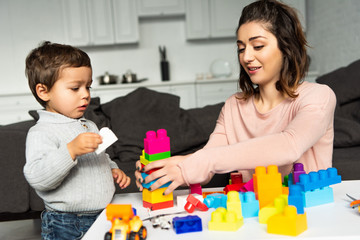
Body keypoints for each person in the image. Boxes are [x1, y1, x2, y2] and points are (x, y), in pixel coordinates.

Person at [135, 0, 336, 196]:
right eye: (241, 48)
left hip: (310, 216)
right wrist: (170, 167)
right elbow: (209, 165)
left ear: (286, 48)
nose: (246, 57)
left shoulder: (318, 96)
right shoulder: (234, 106)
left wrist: (195, 163)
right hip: (255, 216)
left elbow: (289, 146)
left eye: (257, 46)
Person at [23, 41, 131, 240]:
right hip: (67, 223)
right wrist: (70, 150)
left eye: (88, 86)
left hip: (104, 215)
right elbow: (38, 178)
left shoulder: (88, 125)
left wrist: (112, 168)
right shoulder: (42, 132)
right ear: (43, 91)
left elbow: (101, 157)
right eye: (75, 88)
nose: (86, 95)